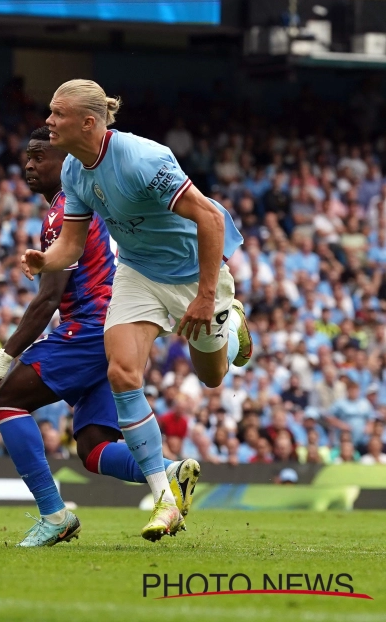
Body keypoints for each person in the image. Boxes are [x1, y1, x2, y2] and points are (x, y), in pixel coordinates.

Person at [21, 80, 252, 542]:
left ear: (88, 122)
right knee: (122, 373)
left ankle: (232, 326)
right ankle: (165, 497)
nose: (48, 122)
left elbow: (208, 217)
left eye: (57, 113)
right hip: (138, 274)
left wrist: (207, 297)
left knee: (212, 375)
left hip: (193, 274)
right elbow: (69, 244)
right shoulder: (73, 171)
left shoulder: (143, 158)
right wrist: (46, 261)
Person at [0, 127, 199, 547]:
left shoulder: (63, 214)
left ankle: (54, 515)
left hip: (90, 330)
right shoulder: (92, 204)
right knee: (92, 447)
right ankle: (168, 472)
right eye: (28, 156)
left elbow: (48, 299)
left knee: (6, 401)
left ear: (67, 162)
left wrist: (0, 361)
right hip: (114, 328)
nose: (29, 164)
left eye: (40, 156)